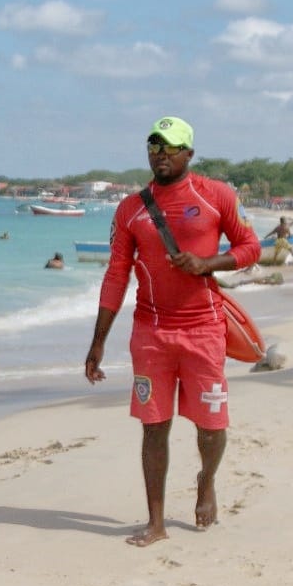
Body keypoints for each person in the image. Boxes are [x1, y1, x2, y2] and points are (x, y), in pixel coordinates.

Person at [83, 116, 261, 547]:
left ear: (189, 154)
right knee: (153, 426)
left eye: (170, 147)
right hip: (151, 332)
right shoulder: (131, 208)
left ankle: (206, 479)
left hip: (203, 329)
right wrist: (98, 340)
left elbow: (250, 248)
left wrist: (207, 264)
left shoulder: (216, 195)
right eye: (154, 147)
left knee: (211, 427)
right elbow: (116, 274)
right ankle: (156, 521)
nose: (160, 155)